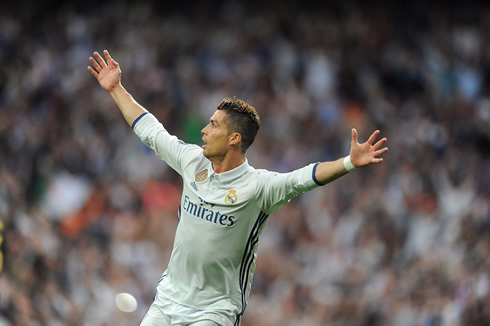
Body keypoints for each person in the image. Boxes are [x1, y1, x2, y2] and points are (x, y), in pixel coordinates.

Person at [88, 50, 388, 326]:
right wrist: (116, 89)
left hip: (215, 310)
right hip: (168, 300)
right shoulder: (192, 161)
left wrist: (349, 162)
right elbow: (152, 131)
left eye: (214, 125)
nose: (204, 131)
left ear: (234, 139)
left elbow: (304, 177)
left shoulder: (258, 187)